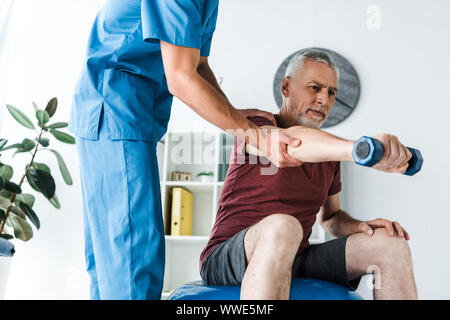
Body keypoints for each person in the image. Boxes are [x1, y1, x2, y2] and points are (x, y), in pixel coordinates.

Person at [68, 0, 302, 300]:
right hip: (113, 110)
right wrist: (254, 136)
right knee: (132, 254)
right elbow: (181, 78)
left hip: (126, 116)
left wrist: (242, 120)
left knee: (113, 260)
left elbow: (198, 67)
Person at [199, 49, 418, 300]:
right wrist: (359, 149)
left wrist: (359, 226)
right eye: (315, 88)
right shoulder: (256, 125)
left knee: (389, 243)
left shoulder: (330, 156)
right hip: (229, 255)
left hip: (296, 255)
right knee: (284, 225)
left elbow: (331, 217)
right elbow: (293, 142)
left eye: (331, 92)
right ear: (286, 87)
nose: (324, 99)